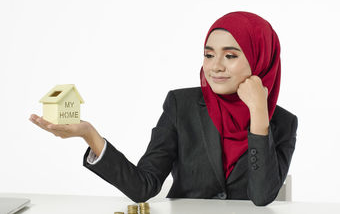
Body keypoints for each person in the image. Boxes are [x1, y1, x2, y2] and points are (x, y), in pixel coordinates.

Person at [29, 11, 298, 206]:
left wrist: (259, 115)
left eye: (230, 55)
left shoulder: (283, 123)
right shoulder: (181, 106)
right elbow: (143, 186)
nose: (215, 66)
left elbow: (262, 197)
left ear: (260, 58)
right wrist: (89, 135)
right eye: (208, 54)